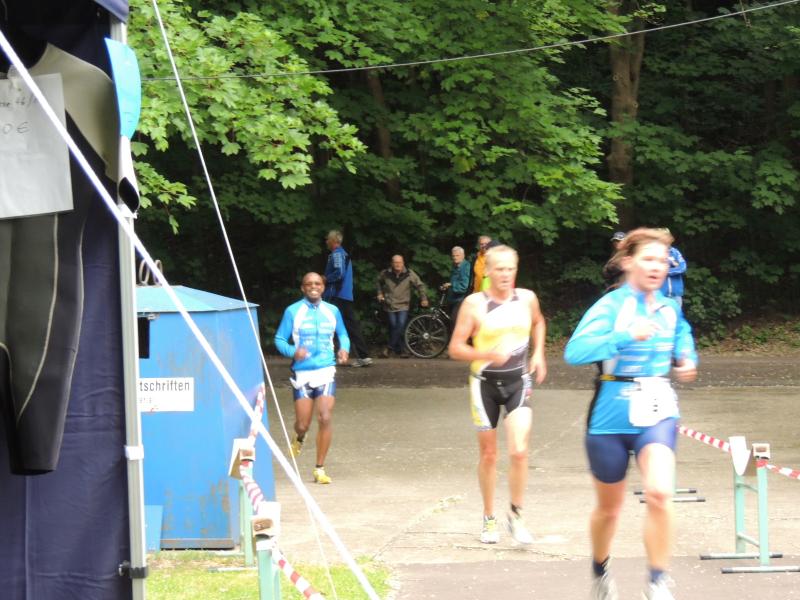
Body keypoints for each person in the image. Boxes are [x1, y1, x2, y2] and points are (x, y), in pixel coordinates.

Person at [563, 227, 698, 600]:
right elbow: (574, 352)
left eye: (662, 261)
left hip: (657, 410)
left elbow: (682, 335)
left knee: (659, 493)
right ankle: (600, 569)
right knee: (609, 509)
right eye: (648, 259)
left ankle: (657, 581)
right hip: (610, 416)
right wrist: (625, 335)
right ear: (627, 262)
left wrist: (687, 358)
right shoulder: (610, 306)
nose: (657, 267)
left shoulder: (669, 307)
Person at [448, 245, 547, 545]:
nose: (505, 274)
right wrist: (488, 354)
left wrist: (538, 353)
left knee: (519, 451)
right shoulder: (474, 304)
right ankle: (489, 516)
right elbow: (456, 348)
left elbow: (539, 322)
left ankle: (516, 515)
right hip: (484, 385)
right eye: (499, 269)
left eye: (510, 268)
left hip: (518, 381)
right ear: (488, 271)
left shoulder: (526, 298)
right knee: (489, 455)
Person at [275, 272, 350, 484]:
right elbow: (279, 339)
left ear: (323, 287)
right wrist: (293, 351)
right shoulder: (293, 311)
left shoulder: (332, 310)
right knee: (302, 424)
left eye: (317, 283)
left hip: (326, 370)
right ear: (303, 288)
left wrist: (344, 349)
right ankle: (299, 436)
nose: (313, 287)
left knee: (325, 417)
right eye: (309, 284)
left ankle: (319, 468)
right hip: (303, 373)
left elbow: (343, 334)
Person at [322, 230, 372, 367]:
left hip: (338, 295)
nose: (326, 241)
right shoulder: (342, 254)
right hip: (344, 295)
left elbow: (339, 273)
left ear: (333, 240)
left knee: (328, 324)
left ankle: (324, 355)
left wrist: (325, 278)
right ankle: (363, 355)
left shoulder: (337, 254)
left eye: (328, 239)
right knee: (349, 325)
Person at [376, 255, 429, 357]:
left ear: (403, 263)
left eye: (399, 262)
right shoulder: (385, 274)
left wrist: (423, 298)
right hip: (389, 305)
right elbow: (378, 281)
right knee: (394, 327)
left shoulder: (409, 274)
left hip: (403, 305)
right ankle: (402, 351)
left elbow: (420, 285)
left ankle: (389, 348)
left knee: (400, 325)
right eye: (395, 262)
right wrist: (379, 293)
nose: (397, 264)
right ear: (392, 263)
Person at [441, 246, 471, 324]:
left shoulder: (466, 267)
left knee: (454, 322)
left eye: (457, 255)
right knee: (447, 321)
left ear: (463, 255)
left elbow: (464, 286)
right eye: (453, 256)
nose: (455, 258)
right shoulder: (455, 266)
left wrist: (451, 285)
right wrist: (447, 286)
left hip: (461, 300)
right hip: (452, 299)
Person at [660, 235, 687, 307]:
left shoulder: (675, 252)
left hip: (676, 295)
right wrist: (674, 264)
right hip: (660, 295)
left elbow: (682, 268)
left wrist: (665, 271)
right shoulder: (655, 253)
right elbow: (656, 269)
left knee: (676, 314)